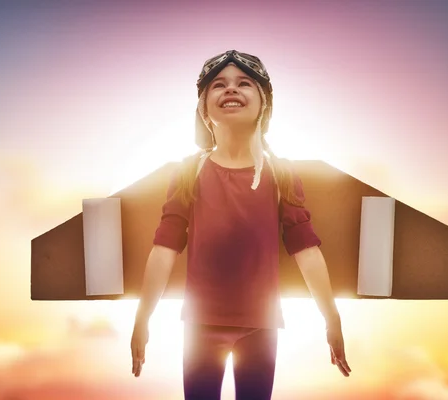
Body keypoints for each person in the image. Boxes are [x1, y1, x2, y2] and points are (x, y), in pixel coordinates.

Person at [131, 50, 351, 400]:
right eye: (218, 85)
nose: (230, 90)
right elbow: (165, 247)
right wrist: (143, 317)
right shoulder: (190, 172)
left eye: (244, 83)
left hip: (260, 327)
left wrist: (331, 318)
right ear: (204, 109)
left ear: (264, 103)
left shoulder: (280, 173)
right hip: (201, 326)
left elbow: (306, 249)